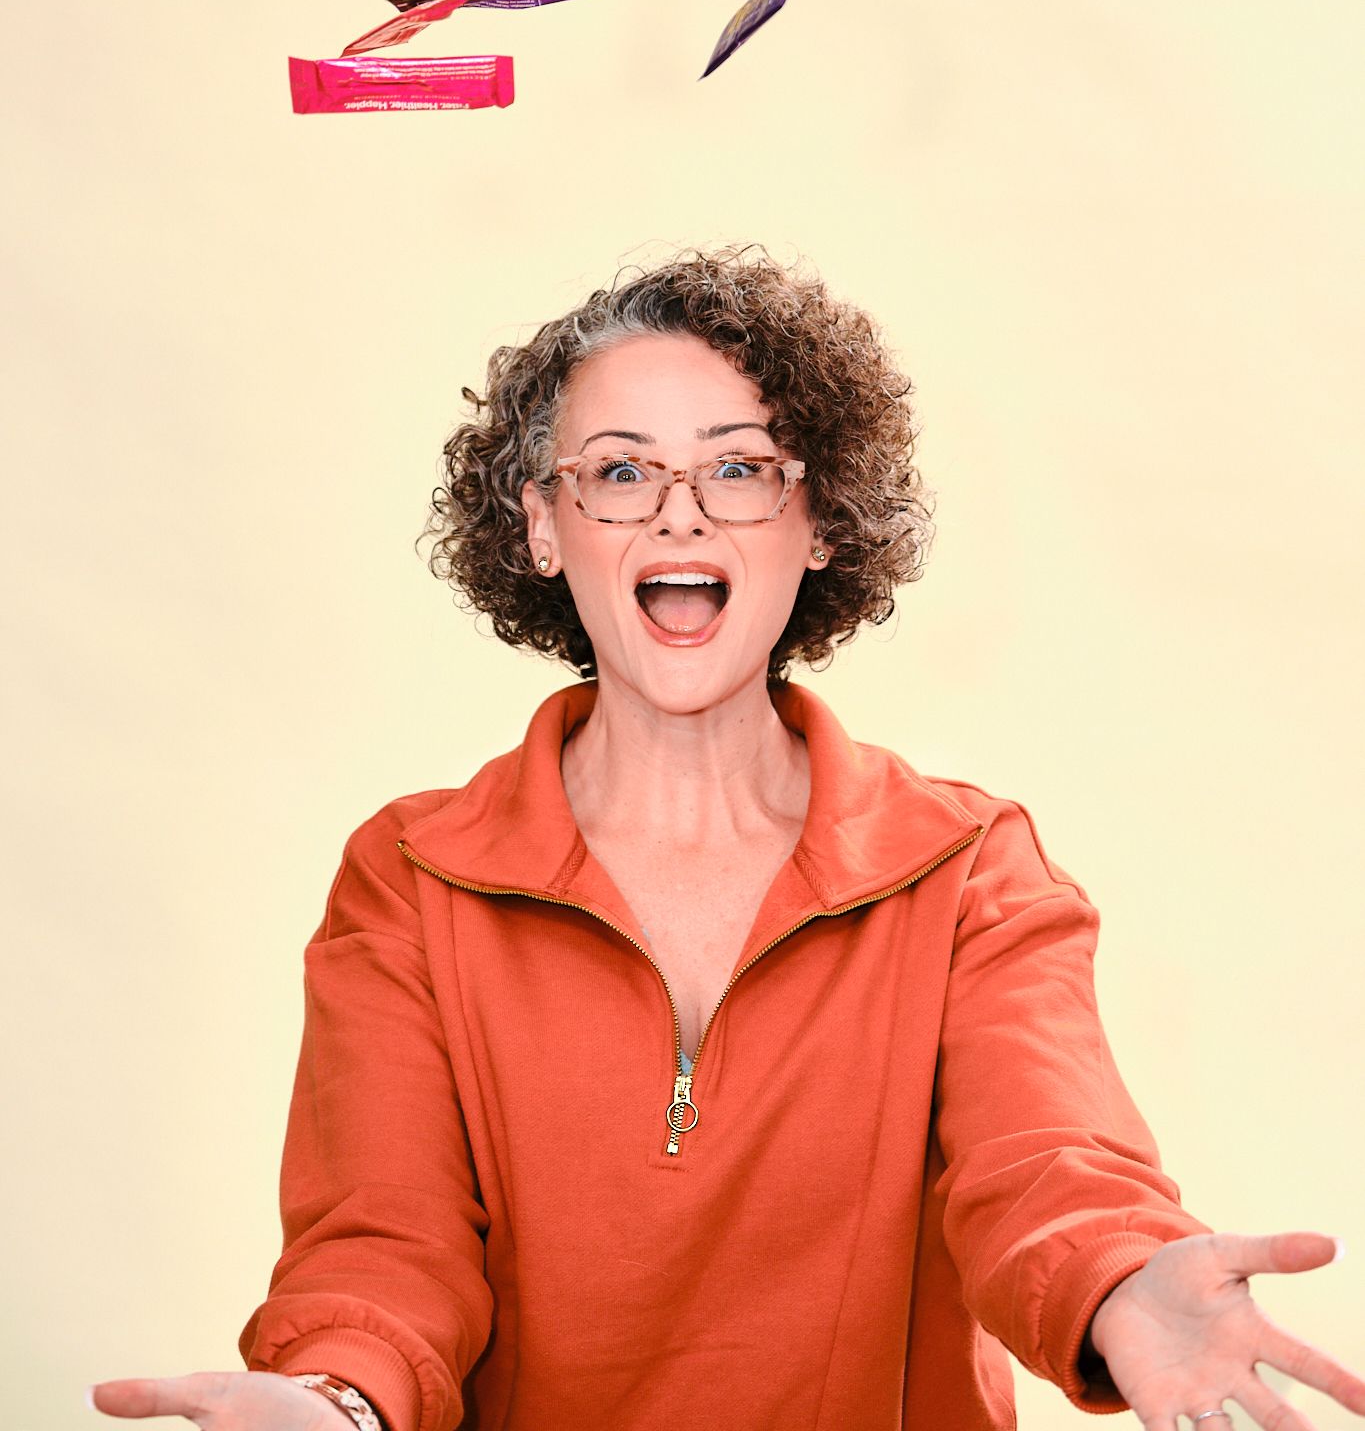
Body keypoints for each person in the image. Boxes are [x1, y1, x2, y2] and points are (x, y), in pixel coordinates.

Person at [91, 246, 1363, 1431]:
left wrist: (1120, 1279)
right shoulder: (410, 878)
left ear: (818, 523)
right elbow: (383, 1244)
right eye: (622, 468)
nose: (681, 514)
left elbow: (1046, 1165)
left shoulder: (969, 864)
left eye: (741, 466)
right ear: (544, 525)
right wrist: (336, 1401)